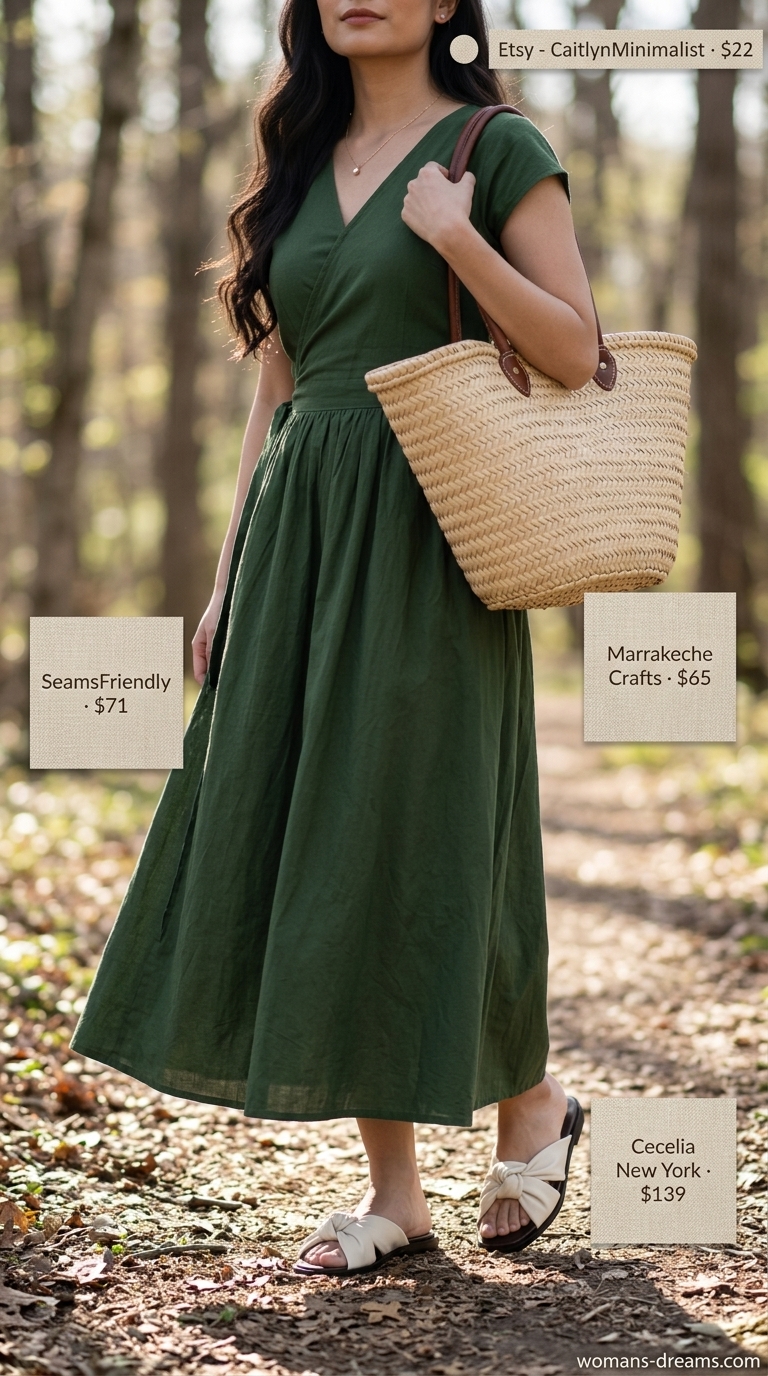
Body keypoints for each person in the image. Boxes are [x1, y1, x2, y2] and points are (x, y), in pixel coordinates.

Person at [71, 0, 597, 1275]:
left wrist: (459, 240)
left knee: (423, 825)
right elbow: (279, 386)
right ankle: (397, 1191)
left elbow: (577, 352)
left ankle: (525, 1094)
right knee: (324, 832)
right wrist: (225, 574)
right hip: (303, 541)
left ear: (443, 5)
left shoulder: (497, 148)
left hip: (432, 534)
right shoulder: (299, 161)